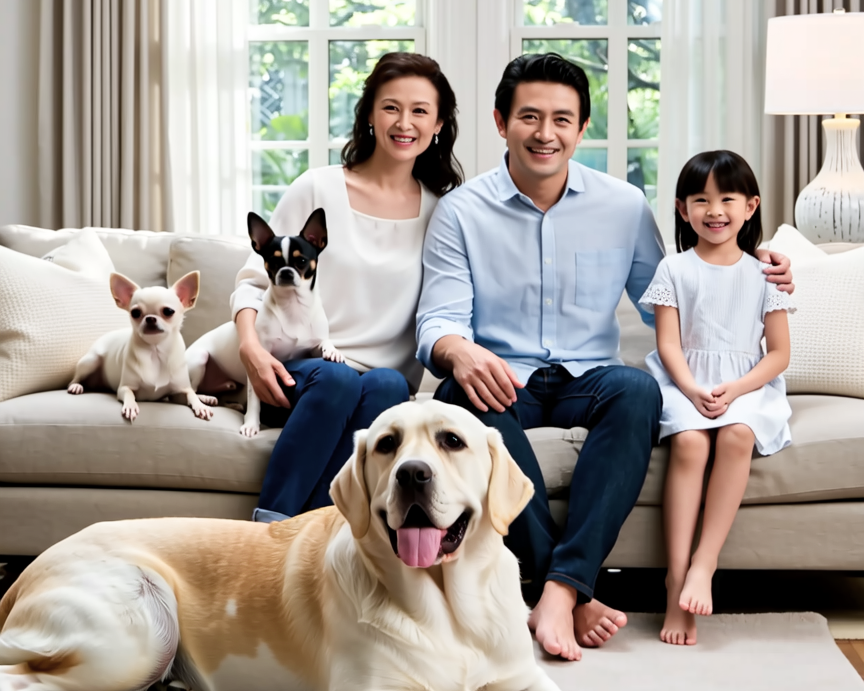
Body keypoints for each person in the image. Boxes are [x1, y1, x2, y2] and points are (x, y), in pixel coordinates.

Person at [415, 53, 794, 662]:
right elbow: (438, 318)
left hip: (589, 379)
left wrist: (759, 271)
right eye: (530, 117)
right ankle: (566, 591)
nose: (546, 133)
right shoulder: (460, 211)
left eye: (562, 119)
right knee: (458, 398)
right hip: (502, 378)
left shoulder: (623, 206)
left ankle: (555, 591)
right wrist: (458, 350)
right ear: (500, 121)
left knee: (638, 390)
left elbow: (673, 301)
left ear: (583, 128)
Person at [230, 52, 463, 522]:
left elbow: (447, 307)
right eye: (391, 107)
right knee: (336, 378)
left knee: (386, 383)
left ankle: (322, 545)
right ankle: (267, 534)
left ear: (438, 123)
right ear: (370, 116)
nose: (404, 122)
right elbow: (253, 281)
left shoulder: (444, 213)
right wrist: (251, 349)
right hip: (302, 375)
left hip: (380, 383)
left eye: (420, 110)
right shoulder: (317, 189)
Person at [639, 151, 793, 646]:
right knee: (689, 444)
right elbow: (667, 344)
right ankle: (675, 580)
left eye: (727, 198)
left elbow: (779, 354)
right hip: (685, 379)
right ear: (683, 210)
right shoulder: (674, 269)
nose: (715, 210)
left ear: (750, 207)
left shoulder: (765, 273)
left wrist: (738, 389)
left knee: (736, 435)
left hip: (748, 384)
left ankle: (704, 564)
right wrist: (691, 388)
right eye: (700, 200)